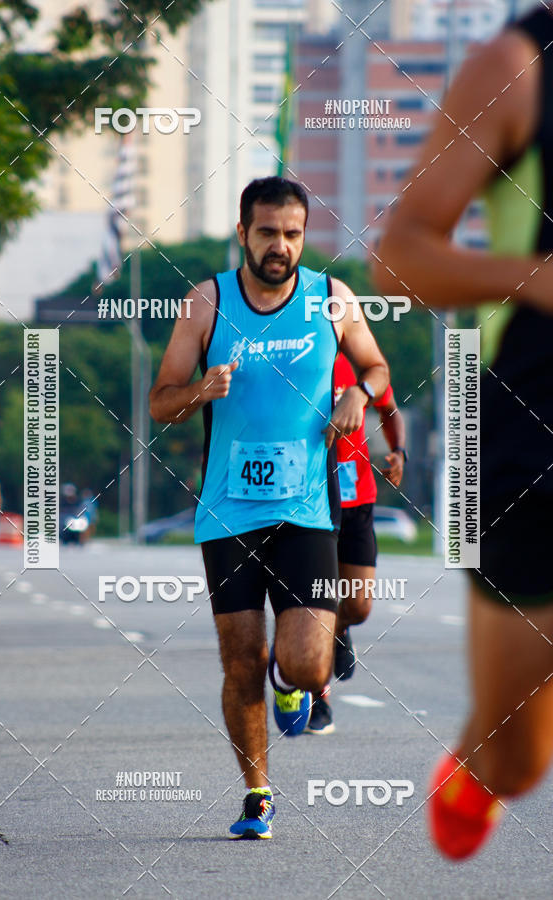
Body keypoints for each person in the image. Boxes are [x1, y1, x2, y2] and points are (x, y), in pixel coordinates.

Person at [149, 176, 389, 839]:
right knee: (240, 661)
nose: (279, 247)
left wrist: (359, 397)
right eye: (267, 233)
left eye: (292, 234)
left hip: (307, 511)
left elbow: (376, 366)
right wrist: (200, 390)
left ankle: (296, 684)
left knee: (309, 666)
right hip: (228, 513)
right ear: (242, 234)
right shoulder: (207, 303)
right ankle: (257, 793)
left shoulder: (331, 300)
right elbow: (159, 402)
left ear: (303, 237)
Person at [374, 3, 553, 860]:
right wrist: (534, 277)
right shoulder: (519, 65)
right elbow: (399, 256)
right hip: (536, 447)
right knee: (518, 762)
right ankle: (478, 770)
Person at [306, 353, 406, 734]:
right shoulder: (291, 357)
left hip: (357, 499)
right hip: (309, 504)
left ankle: (341, 630)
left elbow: (390, 408)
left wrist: (399, 451)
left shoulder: (359, 368)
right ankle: (319, 698)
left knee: (358, 607)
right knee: (316, 606)